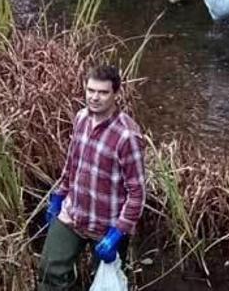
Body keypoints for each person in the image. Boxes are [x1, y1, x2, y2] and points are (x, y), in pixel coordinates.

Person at [38, 65, 146, 290]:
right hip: (73, 215)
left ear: (116, 94)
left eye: (103, 92)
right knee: (50, 270)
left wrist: (118, 233)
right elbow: (72, 164)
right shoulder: (81, 118)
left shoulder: (128, 135)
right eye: (90, 90)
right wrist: (58, 197)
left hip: (106, 226)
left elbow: (137, 194)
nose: (95, 97)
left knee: (106, 284)